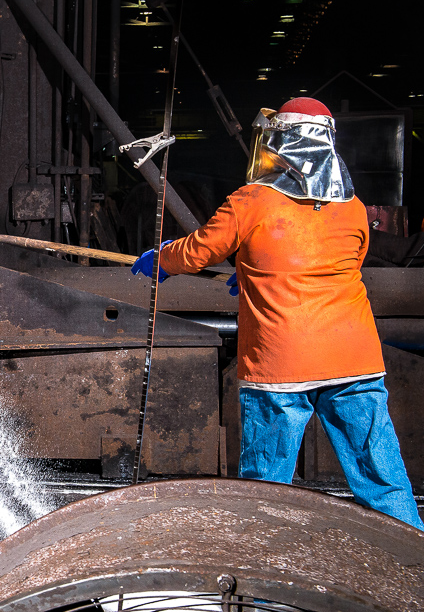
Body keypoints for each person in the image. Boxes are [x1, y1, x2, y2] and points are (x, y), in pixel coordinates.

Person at [131, 97, 423, 529]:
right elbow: (341, 264)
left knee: (268, 491)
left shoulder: (252, 200)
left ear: (280, 144)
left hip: (281, 365)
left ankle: (264, 589)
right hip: (355, 362)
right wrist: (257, 271)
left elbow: (198, 252)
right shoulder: (354, 207)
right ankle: (412, 568)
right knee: (382, 479)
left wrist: (161, 258)